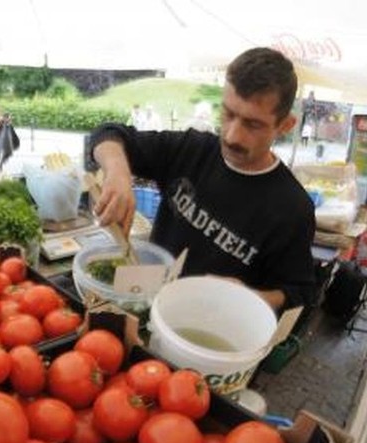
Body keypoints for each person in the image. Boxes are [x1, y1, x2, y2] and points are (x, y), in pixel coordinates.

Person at [89, 47, 315, 312]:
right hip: (148, 301)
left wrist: (251, 296)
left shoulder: (293, 208)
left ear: (285, 125)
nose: (232, 136)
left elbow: (299, 293)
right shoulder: (192, 149)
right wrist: (118, 173)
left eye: (253, 125)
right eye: (228, 113)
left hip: (211, 328)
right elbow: (108, 134)